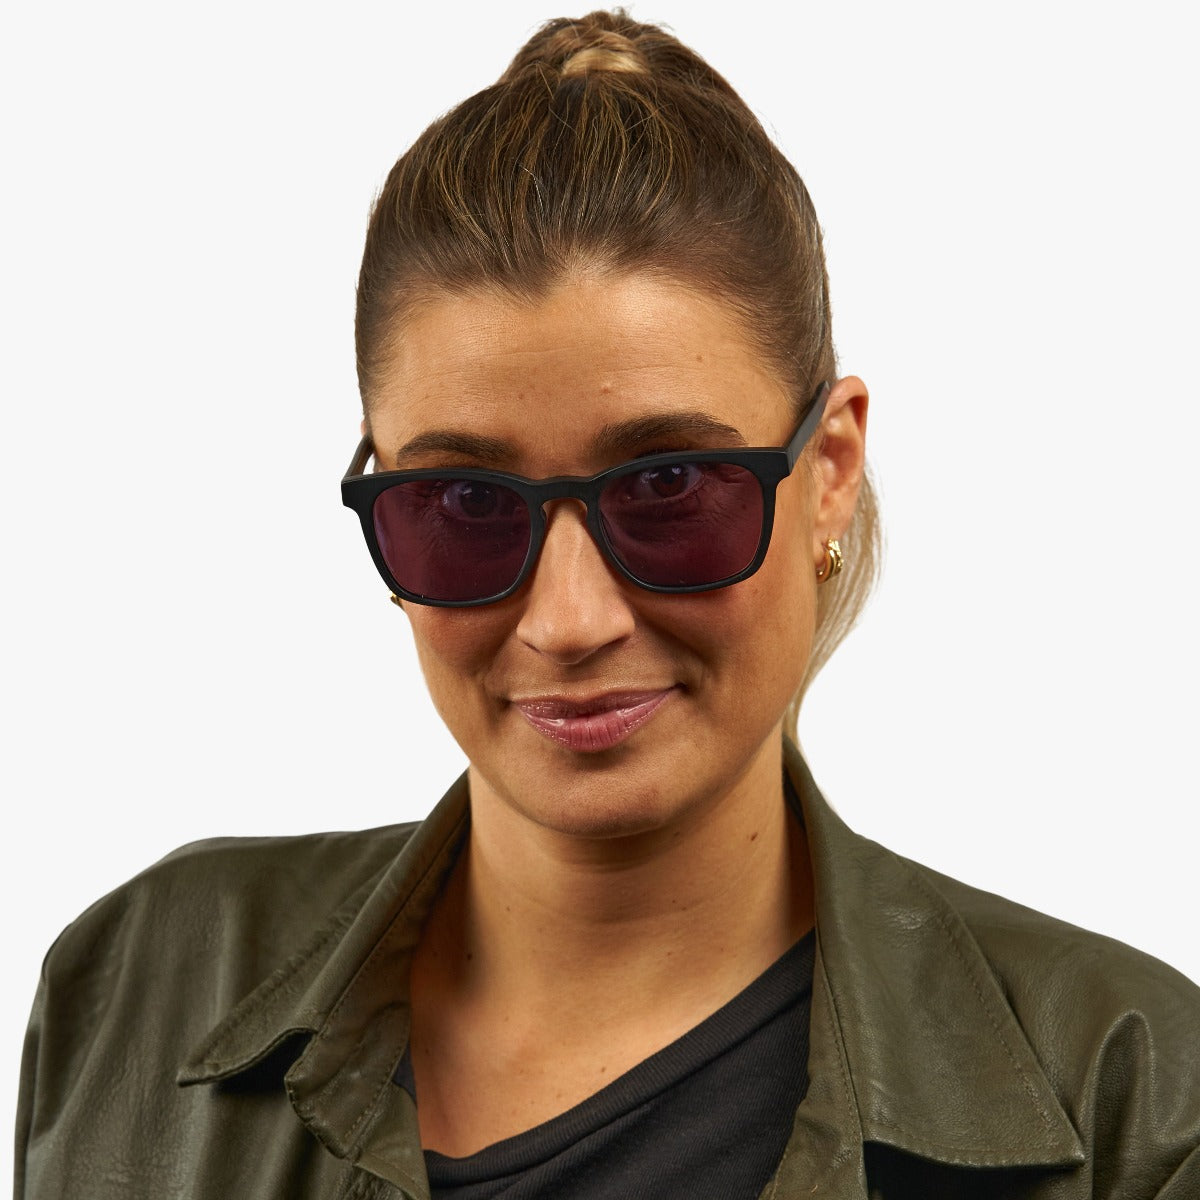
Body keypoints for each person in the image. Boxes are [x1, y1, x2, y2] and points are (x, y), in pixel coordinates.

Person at [15, 10, 1200, 1199]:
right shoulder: (138, 989)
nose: (569, 620)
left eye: (669, 487)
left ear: (830, 472)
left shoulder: (1133, 1104)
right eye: (463, 502)